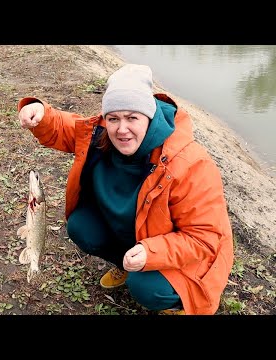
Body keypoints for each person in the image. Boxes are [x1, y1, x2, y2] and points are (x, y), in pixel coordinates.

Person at [17, 64, 234, 315]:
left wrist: (151, 253)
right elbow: (67, 128)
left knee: (145, 287)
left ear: (150, 117)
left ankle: (177, 304)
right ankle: (127, 261)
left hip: (191, 259)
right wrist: (40, 114)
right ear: (105, 118)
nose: (122, 129)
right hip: (138, 231)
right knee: (81, 226)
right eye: (113, 118)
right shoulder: (101, 135)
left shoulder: (191, 164)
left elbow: (203, 239)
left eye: (132, 118)